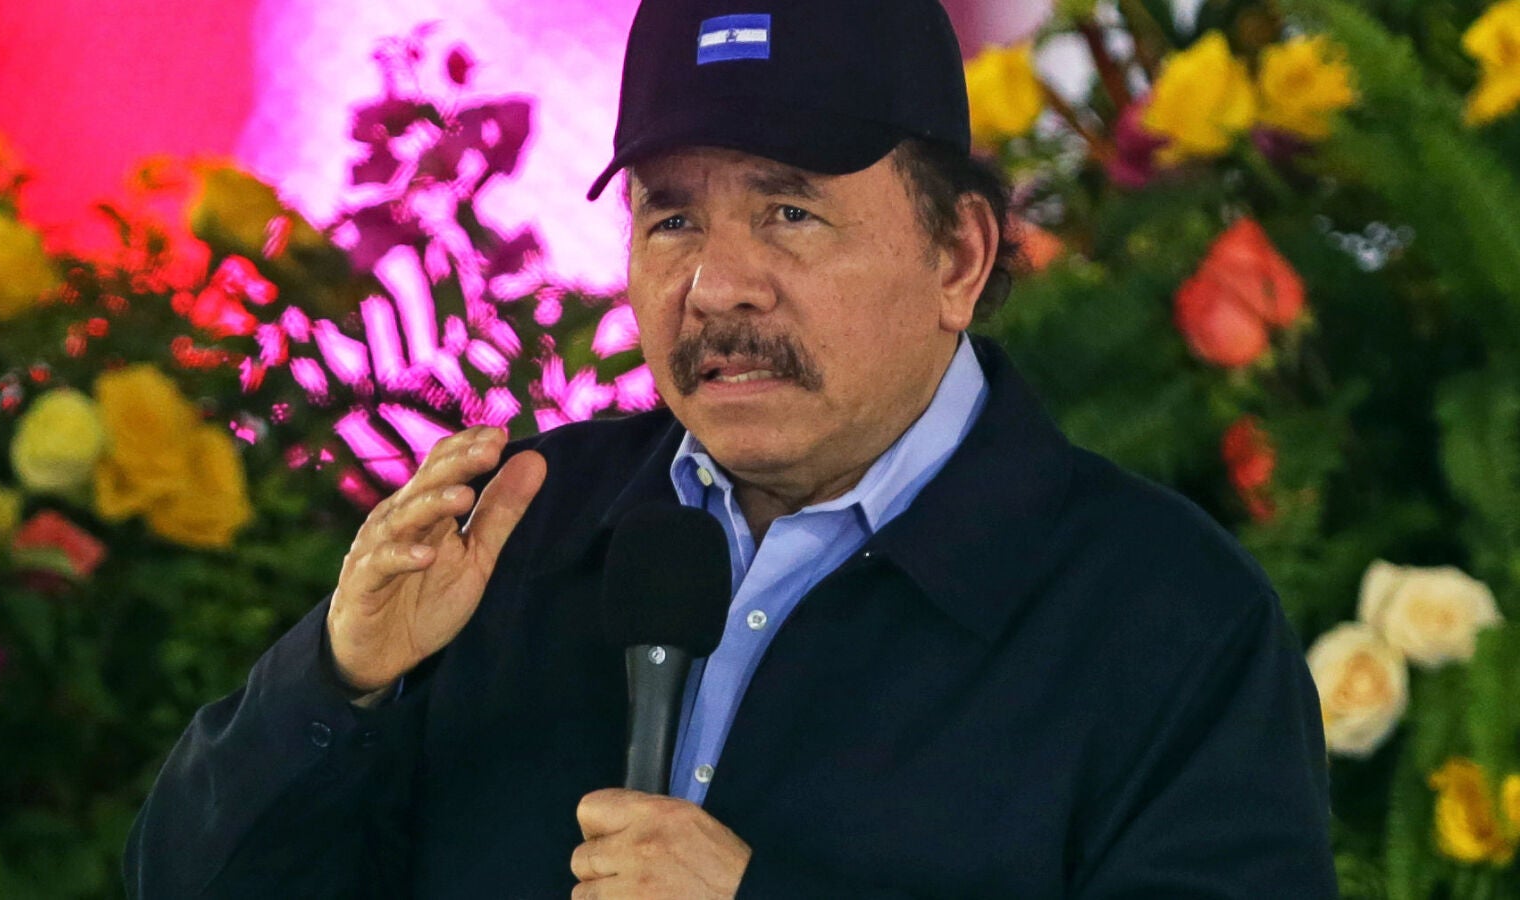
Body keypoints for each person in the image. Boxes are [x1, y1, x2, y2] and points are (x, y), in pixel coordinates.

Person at [125, 0, 1338, 896]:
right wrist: (334, 686)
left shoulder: (1166, 618)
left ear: (959, 256)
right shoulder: (511, 536)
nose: (715, 286)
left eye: (789, 211)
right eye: (671, 218)